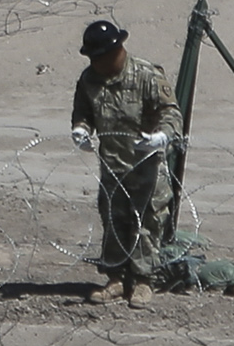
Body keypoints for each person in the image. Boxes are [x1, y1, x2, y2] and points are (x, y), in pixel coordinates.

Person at [70, 19, 175, 301]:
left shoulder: (146, 74)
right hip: (113, 165)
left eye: (101, 57)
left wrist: (162, 136)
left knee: (147, 222)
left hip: (146, 165)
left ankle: (143, 280)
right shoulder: (89, 80)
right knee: (114, 221)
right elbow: (83, 112)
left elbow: (170, 112)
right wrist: (81, 129)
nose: (97, 63)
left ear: (117, 51)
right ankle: (115, 279)